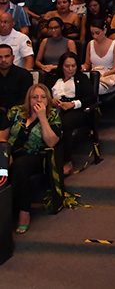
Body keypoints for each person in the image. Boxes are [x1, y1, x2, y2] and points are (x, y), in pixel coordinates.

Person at [0, 83, 62, 233]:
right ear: (29, 99)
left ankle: (24, 212)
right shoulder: (16, 111)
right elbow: (2, 136)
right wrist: (5, 155)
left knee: (19, 167)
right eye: (35, 97)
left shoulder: (53, 115)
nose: (38, 100)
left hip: (36, 155)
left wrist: (42, 118)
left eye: (42, 97)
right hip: (11, 152)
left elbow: (52, 142)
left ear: (48, 100)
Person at [50, 52, 95, 175]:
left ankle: (66, 161)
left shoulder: (82, 79)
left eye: (73, 66)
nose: (70, 69)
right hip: (55, 109)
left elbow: (91, 98)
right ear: (61, 66)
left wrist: (73, 104)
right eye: (67, 66)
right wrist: (51, 101)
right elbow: (44, 94)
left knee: (65, 123)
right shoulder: (53, 77)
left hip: (77, 110)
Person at [84, 19, 115, 95]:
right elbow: (87, 64)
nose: (95, 36)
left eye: (97, 33)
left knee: (96, 88)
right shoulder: (90, 44)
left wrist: (103, 75)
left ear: (104, 30)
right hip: (93, 75)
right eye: (92, 34)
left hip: (109, 77)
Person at [0, 44, 33, 130]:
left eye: (6, 56)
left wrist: (12, 111)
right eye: (0, 57)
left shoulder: (24, 75)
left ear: (13, 57)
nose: (3, 60)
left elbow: (26, 99)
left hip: (18, 114)